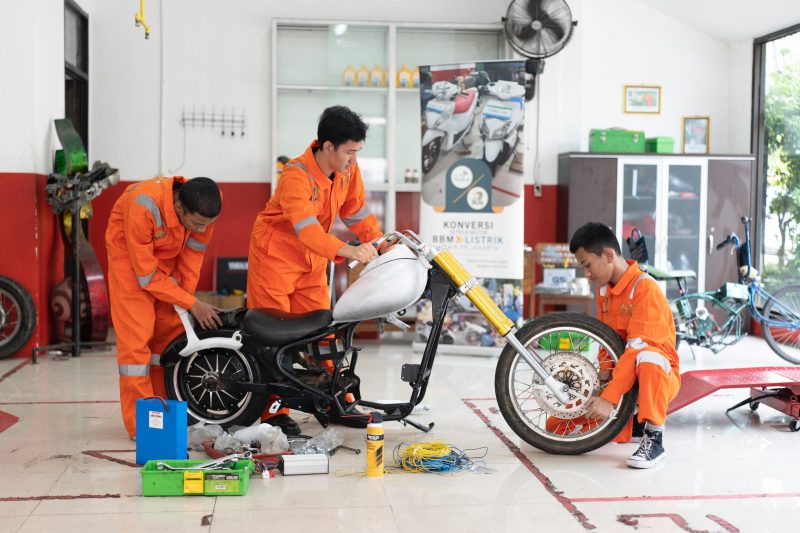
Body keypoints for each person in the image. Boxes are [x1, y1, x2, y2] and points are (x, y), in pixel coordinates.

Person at [247, 106, 382, 435]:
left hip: (311, 262)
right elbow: (305, 230)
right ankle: (272, 413)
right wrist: (348, 249)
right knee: (271, 340)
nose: (353, 159)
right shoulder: (296, 175)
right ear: (327, 147)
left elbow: (355, 211)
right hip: (275, 261)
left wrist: (380, 241)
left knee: (324, 333)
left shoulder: (348, 169)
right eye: (349, 152)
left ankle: (336, 401)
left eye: (357, 152)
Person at [106, 176, 223, 439]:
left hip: (166, 263)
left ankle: (160, 414)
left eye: (207, 225)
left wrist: (185, 298)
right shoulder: (143, 205)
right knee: (136, 348)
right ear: (179, 209)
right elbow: (145, 276)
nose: (203, 229)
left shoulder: (207, 205)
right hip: (131, 266)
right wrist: (192, 304)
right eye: (198, 224)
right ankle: (142, 427)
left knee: (167, 341)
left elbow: (194, 254)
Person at [564, 222, 680, 468]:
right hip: (625, 376)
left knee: (648, 358)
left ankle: (654, 437)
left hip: (657, 375)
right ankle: (633, 423)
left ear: (608, 255)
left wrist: (611, 396)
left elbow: (637, 349)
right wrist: (601, 382)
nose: (586, 274)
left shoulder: (644, 288)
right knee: (558, 425)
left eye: (587, 265)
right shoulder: (605, 290)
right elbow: (607, 341)